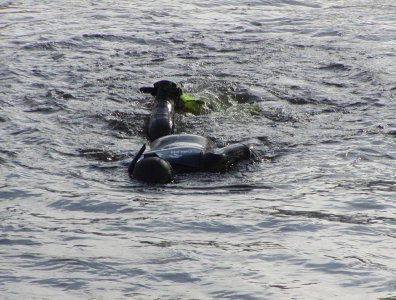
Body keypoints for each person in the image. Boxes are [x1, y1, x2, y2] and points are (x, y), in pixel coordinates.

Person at [129, 80, 259, 184]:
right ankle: (164, 96)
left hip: (186, 141)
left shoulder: (210, 161)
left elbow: (245, 149)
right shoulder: (137, 163)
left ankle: (165, 96)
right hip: (161, 143)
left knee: (159, 132)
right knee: (158, 133)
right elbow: (245, 149)